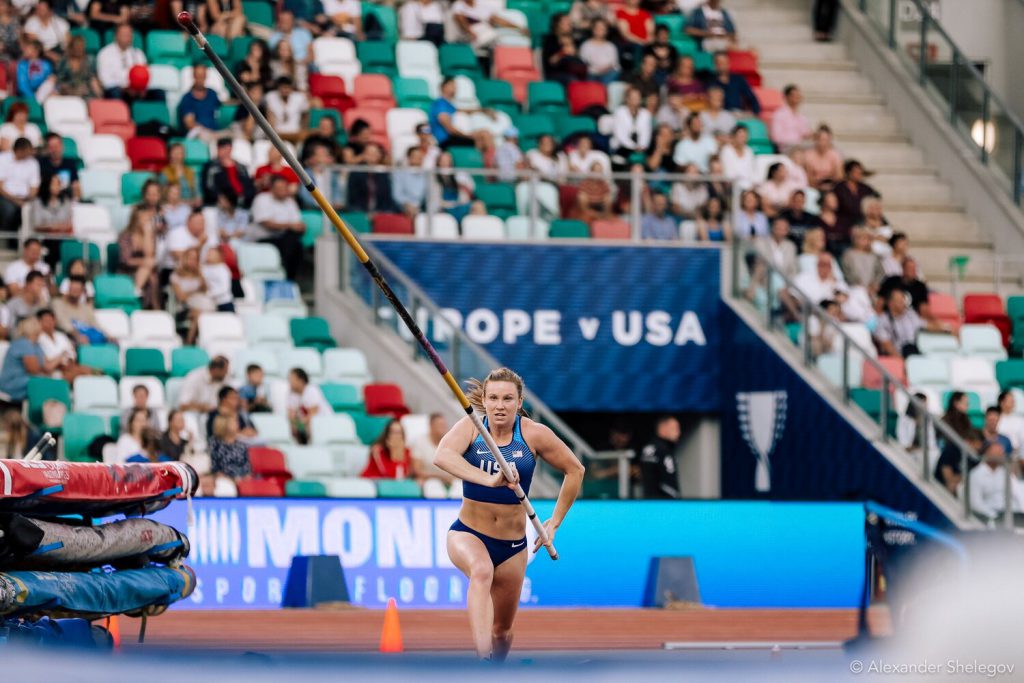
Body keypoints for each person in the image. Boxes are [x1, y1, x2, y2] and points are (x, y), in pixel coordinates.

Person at [433, 367, 584, 660]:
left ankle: (497, 668)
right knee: (481, 571)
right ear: (484, 401)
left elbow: (575, 470)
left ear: (519, 402)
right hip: (468, 533)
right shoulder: (471, 428)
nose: (499, 406)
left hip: (513, 547)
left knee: (502, 631)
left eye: (507, 399)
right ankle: (483, 661)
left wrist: (554, 523)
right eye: (493, 398)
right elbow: (442, 456)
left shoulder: (533, 434)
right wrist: (489, 479)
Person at [250, 175, 306, 280]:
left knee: (295, 244)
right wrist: (289, 225)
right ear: (272, 189)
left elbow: (297, 223)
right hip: (264, 239)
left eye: (284, 188)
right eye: (279, 188)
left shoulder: (290, 201)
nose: (283, 191)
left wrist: (300, 226)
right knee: (290, 243)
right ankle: (285, 275)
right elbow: (266, 223)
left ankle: (290, 278)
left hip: (285, 238)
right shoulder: (261, 199)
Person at [0, 317, 59, 402]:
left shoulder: (37, 345)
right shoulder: (23, 343)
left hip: (28, 381)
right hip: (13, 383)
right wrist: (44, 371)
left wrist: (61, 356)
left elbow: (47, 366)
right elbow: (33, 370)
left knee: (56, 383)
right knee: (44, 384)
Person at [968, 439, 1023, 522]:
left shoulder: (1005, 473)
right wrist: (993, 516)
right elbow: (975, 503)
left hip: (1014, 514)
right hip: (992, 517)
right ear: (987, 453)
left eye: (1001, 453)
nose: (1001, 455)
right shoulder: (976, 475)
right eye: (997, 453)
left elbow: (1018, 493)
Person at [874, 286, 938, 358]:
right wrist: (902, 360)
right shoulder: (883, 320)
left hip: (915, 351)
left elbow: (926, 325)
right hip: (898, 356)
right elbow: (887, 345)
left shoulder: (910, 314)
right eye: (899, 301)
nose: (903, 303)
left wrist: (945, 327)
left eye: (903, 300)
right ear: (890, 303)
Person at [171, 247, 215, 345]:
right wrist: (194, 291)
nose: (192, 261)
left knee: (203, 314)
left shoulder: (199, 274)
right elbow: (181, 297)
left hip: (203, 307)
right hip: (184, 308)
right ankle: (189, 343)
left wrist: (200, 275)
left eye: (195, 259)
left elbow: (206, 290)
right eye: (190, 258)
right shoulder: (176, 276)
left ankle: (203, 343)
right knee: (200, 315)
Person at [36, 308, 91, 383]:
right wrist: (61, 359)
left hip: (68, 367)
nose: (49, 323)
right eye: (46, 321)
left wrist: (70, 361)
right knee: (81, 375)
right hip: (52, 372)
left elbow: (71, 352)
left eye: (51, 320)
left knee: (87, 370)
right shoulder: (38, 339)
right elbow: (46, 363)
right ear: (39, 322)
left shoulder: (61, 336)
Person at [833, 159, 880, 245]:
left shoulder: (865, 188)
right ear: (849, 172)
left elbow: (876, 198)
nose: (859, 174)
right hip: (844, 221)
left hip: (863, 220)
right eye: (856, 172)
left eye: (860, 172)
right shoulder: (840, 188)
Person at [0, 137, 41, 232]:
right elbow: (0, 186)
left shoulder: (33, 163)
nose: (31, 153)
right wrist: (15, 200)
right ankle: (8, 237)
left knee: (37, 209)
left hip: (25, 199)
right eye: (28, 151)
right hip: (6, 197)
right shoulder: (3, 159)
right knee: (9, 211)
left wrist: (28, 199)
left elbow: (34, 187)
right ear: (19, 150)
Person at [96, 24, 146, 99]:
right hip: (116, 89)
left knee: (158, 93)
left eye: (130, 34)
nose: (129, 37)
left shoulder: (138, 53)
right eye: (125, 34)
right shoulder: (105, 53)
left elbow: (143, 74)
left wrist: (139, 87)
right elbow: (105, 80)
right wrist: (124, 88)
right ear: (116, 36)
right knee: (115, 92)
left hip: (135, 90)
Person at [202, 138, 255, 207]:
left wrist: (247, 197)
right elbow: (209, 185)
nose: (226, 152)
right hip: (219, 204)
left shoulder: (241, 167)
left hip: (243, 203)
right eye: (223, 149)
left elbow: (248, 185)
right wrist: (220, 198)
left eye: (228, 149)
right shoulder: (211, 167)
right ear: (218, 150)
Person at [639, 415, 682, 498]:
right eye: (675, 429)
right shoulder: (659, 449)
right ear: (663, 428)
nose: (678, 433)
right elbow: (666, 483)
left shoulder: (656, 448)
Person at [178, 63, 222, 141]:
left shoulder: (212, 94)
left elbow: (223, 105)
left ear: (206, 76)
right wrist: (207, 132)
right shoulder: (187, 98)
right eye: (198, 76)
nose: (200, 79)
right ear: (193, 76)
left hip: (215, 132)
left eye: (202, 76)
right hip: (197, 133)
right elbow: (189, 124)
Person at [345, 143, 395, 213]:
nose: (372, 156)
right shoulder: (355, 173)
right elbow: (353, 198)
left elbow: (387, 198)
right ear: (364, 155)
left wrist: (380, 212)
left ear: (379, 155)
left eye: (375, 153)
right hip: (359, 211)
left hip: (380, 212)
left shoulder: (383, 174)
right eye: (369, 153)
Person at [286, 367, 331, 444]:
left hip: (325, 423)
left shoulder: (311, 390)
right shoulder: (292, 394)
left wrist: (298, 424)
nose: (289, 382)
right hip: (308, 426)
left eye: (292, 379)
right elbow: (291, 415)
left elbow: (313, 414)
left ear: (301, 380)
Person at [610, 87, 652, 167]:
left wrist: (641, 146)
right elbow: (620, 134)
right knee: (619, 159)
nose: (635, 99)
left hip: (640, 148)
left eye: (637, 97)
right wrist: (633, 147)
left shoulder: (646, 114)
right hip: (621, 147)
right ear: (627, 99)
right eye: (633, 97)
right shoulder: (619, 112)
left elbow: (646, 133)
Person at [410, 413, 454, 485]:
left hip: (451, 482)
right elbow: (417, 470)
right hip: (428, 481)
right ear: (431, 426)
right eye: (439, 425)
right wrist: (440, 477)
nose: (443, 428)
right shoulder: (420, 442)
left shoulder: (451, 443)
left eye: (444, 425)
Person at [935, 429, 982, 496]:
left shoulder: (974, 457)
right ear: (968, 442)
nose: (977, 451)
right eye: (976, 447)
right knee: (953, 485)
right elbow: (948, 478)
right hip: (940, 487)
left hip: (963, 486)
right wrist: (964, 478)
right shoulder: (951, 449)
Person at [209, 413, 252, 486]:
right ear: (224, 424)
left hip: (242, 480)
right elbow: (215, 468)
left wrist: (244, 479)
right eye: (234, 422)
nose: (237, 424)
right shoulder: (215, 444)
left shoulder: (242, 445)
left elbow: (247, 468)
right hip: (223, 480)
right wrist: (231, 480)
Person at [264, 76, 309, 143]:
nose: (285, 90)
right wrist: (272, 133)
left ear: (291, 88)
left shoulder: (300, 97)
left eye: (287, 87)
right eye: (283, 87)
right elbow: (270, 117)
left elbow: (305, 115)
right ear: (278, 88)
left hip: (295, 132)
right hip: (278, 133)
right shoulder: (270, 97)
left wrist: (303, 129)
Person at [770, 85, 812, 150]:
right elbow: (776, 137)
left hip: (799, 147)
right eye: (794, 96)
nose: (797, 98)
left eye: (798, 96)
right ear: (786, 97)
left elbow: (805, 134)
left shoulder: (801, 117)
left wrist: (813, 135)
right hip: (786, 148)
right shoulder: (779, 114)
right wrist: (793, 141)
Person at [38, 133, 79, 200]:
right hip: (45, 201)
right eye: (51, 147)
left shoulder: (70, 163)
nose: (55, 150)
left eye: (57, 146)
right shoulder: (40, 163)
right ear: (47, 148)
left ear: (62, 146)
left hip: (66, 200)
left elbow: (75, 184)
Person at [392, 146, 429, 218]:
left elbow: (429, 195)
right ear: (409, 158)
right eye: (415, 156)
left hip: (423, 210)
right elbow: (397, 194)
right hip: (403, 209)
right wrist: (408, 205)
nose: (418, 159)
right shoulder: (399, 173)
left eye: (420, 157)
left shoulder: (427, 175)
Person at [579, 19, 619, 85]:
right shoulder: (586, 45)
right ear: (593, 29)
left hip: (608, 73)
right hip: (592, 73)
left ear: (606, 31)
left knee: (614, 74)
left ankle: (602, 88)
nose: (599, 30)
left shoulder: (611, 46)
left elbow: (614, 63)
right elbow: (583, 61)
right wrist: (597, 69)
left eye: (602, 28)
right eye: (597, 28)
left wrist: (605, 69)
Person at [803, 125, 843, 189]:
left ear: (829, 140)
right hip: (813, 187)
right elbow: (808, 177)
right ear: (816, 140)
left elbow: (839, 177)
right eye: (820, 140)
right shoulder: (808, 155)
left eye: (825, 140)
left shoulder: (835, 155)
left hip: (832, 187)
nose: (822, 143)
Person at [997, 391, 1024, 455]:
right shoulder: (996, 419)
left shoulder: (1020, 419)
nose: (1013, 402)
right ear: (1002, 403)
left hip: (1017, 453)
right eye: (1010, 400)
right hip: (1000, 453)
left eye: (1013, 400)